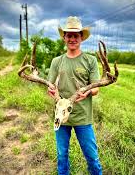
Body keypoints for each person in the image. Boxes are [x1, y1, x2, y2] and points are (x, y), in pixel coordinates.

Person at [47, 16, 102, 175]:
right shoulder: (57, 61)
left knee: (92, 156)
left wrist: (87, 92)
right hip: (61, 116)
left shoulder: (90, 60)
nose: (72, 38)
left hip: (83, 117)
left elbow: (96, 88)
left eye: (75, 35)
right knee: (61, 155)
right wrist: (52, 91)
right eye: (69, 35)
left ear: (81, 38)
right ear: (64, 37)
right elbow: (50, 85)